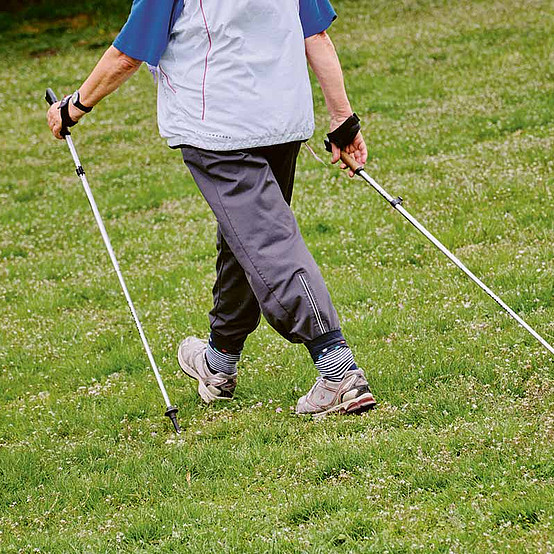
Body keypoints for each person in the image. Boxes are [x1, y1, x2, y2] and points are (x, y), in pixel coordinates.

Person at [47, 0, 376, 416]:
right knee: (249, 238)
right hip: (280, 122)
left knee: (268, 243)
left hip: (216, 129)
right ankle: (218, 363)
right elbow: (317, 35)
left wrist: (74, 106)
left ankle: (338, 371)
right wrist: (342, 120)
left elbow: (128, 53)